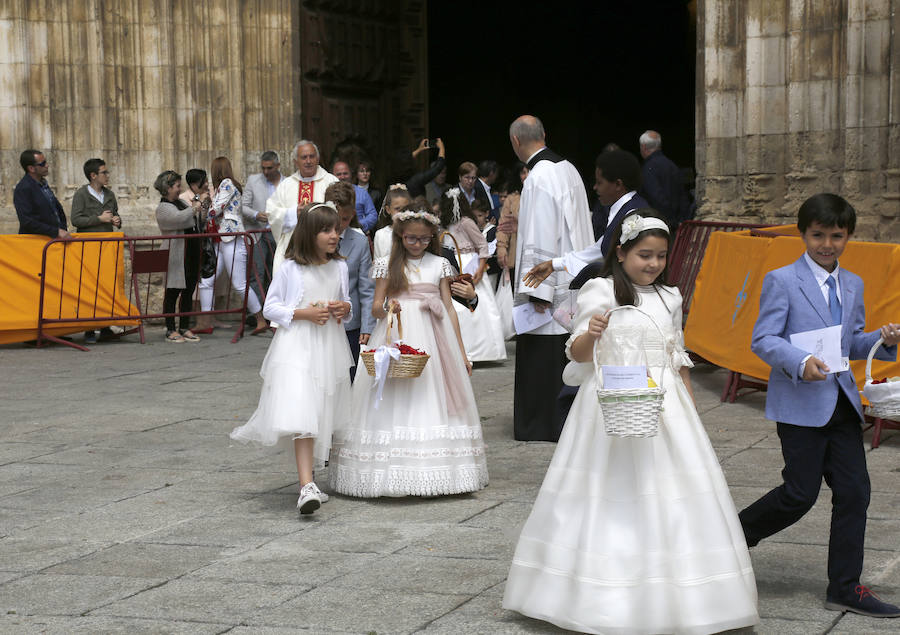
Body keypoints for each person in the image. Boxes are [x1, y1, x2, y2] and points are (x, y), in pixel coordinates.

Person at [503, 209, 759, 633]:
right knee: (603, 492)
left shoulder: (670, 297)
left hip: (662, 404)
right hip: (609, 404)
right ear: (620, 253)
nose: (653, 264)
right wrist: (593, 332)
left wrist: (691, 413)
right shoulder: (600, 290)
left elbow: (677, 359)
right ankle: (591, 590)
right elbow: (579, 355)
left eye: (660, 256)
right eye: (644, 255)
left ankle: (680, 594)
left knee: (672, 495)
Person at [740, 193, 900, 618]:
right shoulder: (782, 280)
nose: (827, 243)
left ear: (848, 236)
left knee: (855, 493)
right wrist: (800, 362)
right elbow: (764, 339)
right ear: (803, 234)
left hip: (843, 405)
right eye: (818, 235)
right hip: (800, 405)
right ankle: (735, 536)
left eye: (836, 235)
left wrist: (883, 342)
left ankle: (845, 586)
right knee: (799, 494)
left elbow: (852, 343)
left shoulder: (853, 284)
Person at [330, 210, 488, 497]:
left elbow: (449, 307)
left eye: (424, 239)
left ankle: (438, 470)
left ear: (432, 238)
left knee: (432, 393)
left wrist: (461, 352)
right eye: (411, 238)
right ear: (400, 236)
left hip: (434, 336)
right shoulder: (387, 265)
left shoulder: (439, 264)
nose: (417, 244)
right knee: (393, 391)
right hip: (397, 331)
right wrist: (388, 308)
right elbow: (376, 305)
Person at [230, 202, 353, 515]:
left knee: (321, 410)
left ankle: (310, 478)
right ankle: (306, 485)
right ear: (310, 234)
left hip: (328, 346)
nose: (334, 236)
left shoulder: (340, 266)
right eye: (326, 230)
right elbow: (271, 307)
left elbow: (345, 300)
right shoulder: (290, 267)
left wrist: (343, 309)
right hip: (297, 345)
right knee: (304, 413)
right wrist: (304, 313)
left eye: (336, 229)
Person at [508, 114, 593, 441]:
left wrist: (537, 291)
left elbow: (540, 234)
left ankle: (542, 424)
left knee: (544, 356)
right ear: (544, 133)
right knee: (565, 352)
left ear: (516, 141)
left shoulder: (539, 177)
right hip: (573, 276)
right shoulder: (568, 169)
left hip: (549, 286)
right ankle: (567, 421)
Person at [523, 149, 648, 286]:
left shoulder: (635, 215)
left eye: (599, 182)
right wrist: (554, 264)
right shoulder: (622, 209)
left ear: (618, 184)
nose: (594, 187)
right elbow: (599, 248)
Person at [196, 157, 268, 334]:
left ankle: (260, 319)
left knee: (239, 284)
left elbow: (216, 209)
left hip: (232, 237)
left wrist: (203, 202)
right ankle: (205, 321)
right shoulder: (223, 186)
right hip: (221, 238)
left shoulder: (227, 184)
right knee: (207, 281)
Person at [440, 190, 507, 362]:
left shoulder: (466, 222)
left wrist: (480, 267)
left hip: (469, 262)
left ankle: (480, 351)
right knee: (455, 305)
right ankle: (462, 348)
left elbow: (482, 245)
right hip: (451, 261)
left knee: (475, 306)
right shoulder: (444, 225)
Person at [325, 182, 376, 381]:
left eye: (344, 219)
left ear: (353, 214)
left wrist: (367, 326)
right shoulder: (313, 238)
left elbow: (366, 287)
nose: (338, 225)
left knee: (349, 375)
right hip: (320, 318)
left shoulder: (360, 241)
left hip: (350, 324)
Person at [266, 140, 340, 275]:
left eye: (312, 156)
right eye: (304, 157)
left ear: (317, 158)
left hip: (322, 251)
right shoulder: (286, 185)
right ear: (295, 161)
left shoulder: (331, 182)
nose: (308, 161)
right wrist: (293, 213)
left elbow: (340, 212)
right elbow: (271, 212)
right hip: (293, 248)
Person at [71, 158, 122, 344]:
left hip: (107, 246)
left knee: (106, 287)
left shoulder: (109, 194)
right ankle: (89, 328)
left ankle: (105, 325)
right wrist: (99, 219)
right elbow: (76, 219)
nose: (107, 176)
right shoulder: (81, 195)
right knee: (89, 288)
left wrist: (116, 220)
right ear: (93, 176)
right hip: (88, 247)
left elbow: (115, 213)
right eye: (104, 172)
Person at [153, 170, 202, 343]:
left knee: (188, 291)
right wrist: (194, 209)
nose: (179, 189)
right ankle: (170, 329)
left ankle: (184, 326)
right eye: (177, 186)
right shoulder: (163, 208)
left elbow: (191, 217)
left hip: (189, 252)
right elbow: (180, 219)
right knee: (172, 292)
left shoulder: (180, 202)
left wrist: (198, 204)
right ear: (167, 188)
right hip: (175, 254)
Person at [242, 150, 284, 302]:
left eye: (269, 168)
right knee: (257, 274)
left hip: (279, 235)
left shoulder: (287, 183)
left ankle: (274, 309)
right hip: (258, 233)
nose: (266, 172)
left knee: (277, 273)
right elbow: (244, 206)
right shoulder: (253, 180)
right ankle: (256, 314)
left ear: (278, 166)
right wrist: (256, 215)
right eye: (263, 168)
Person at [14, 149, 69, 239]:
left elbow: (55, 210)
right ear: (31, 168)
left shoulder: (43, 185)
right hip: (36, 242)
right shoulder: (24, 188)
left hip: (53, 240)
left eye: (46, 162)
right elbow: (27, 221)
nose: (47, 166)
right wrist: (55, 231)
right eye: (42, 164)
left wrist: (62, 228)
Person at [639, 130, 689, 229]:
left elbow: (656, 197)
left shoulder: (649, 168)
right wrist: (680, 219)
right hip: (676, 223)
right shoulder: (672, 165)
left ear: (643, 147)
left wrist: (669, 218)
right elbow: (683, 195)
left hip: (659, 224)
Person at [332, 160, 377, 233]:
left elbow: (372, 215)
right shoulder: (328, 193)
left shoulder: (362, 192)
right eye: (339, 174)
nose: (342, 177)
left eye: (345, 173)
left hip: (359, 233)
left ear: (351, 174)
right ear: (332, 175)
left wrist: (359, 225)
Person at [372, 184, 412, 260]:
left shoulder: (415, 232)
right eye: (397, 209)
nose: (401, 213)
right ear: (388, 209)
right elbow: (378, 263)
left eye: (405, 209)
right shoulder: (381, 235)